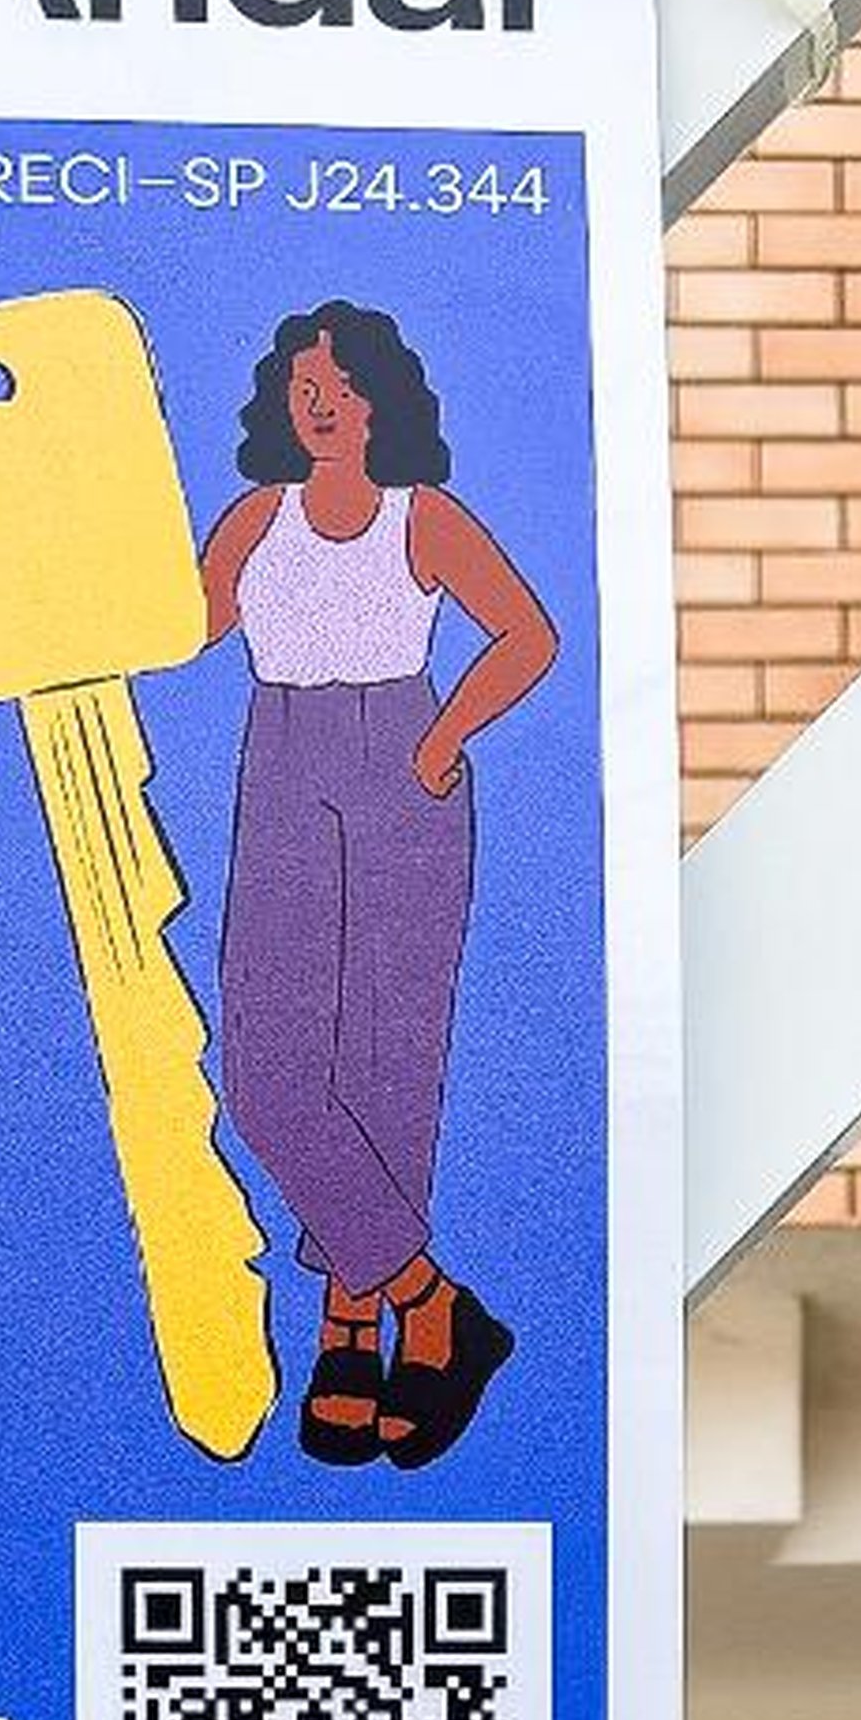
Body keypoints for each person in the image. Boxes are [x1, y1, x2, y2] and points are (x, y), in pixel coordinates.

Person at [197, 302, 558, 1467]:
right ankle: (431, 1303)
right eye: (302, 384)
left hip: (402, 764)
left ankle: (351, 1323)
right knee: (268, 1066)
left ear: (379, 400)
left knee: (385, 1061)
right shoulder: (257, 519)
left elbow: (525, 635)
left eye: (339, 386)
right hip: (285, 764)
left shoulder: (426, 519)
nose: (318, 402)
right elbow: (174, 623)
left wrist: (445, 733)